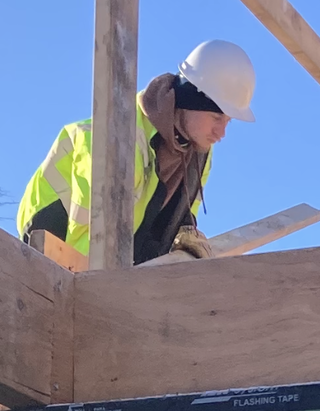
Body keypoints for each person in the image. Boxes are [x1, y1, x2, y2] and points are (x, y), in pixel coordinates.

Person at [17, 40, 255, 264]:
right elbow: (91, 230)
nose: (221, 132)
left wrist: (183, 235)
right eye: (216, 117)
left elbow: (181, 215)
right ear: (191, 102)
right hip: (54, 228)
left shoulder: (199, 156)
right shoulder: (120, 135)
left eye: (228, 121)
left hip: (120, 247)